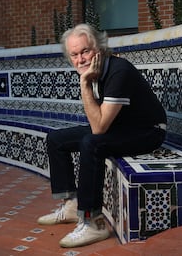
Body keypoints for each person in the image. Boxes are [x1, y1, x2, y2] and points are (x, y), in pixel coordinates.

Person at [37, 23, 167, 248]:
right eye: (74, 55)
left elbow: (98, 129)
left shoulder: (118, 71)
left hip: (148, 131)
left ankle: (93, 223)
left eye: (85, 51)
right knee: (56, 140)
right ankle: (70, 205)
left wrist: (84, 84)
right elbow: (99, 122)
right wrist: (87, 81)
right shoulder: (96, 72)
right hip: (121, 127)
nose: (81, 59)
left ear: (99, 49)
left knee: (92, 143)